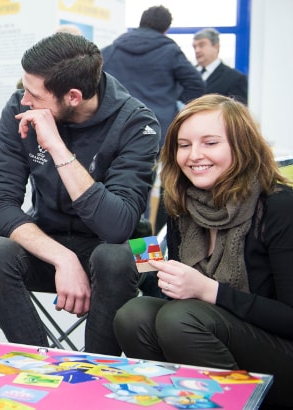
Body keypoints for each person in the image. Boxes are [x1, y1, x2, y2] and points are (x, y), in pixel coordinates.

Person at [0, 32, 160, 355]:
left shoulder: (139, 122)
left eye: (34, 94)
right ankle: (40, 364)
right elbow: (0, 204)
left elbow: (118, 226)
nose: (24, 101)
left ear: (73, 97)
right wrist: (63, 258)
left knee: (116, 258)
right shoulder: (18, 108)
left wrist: (56, 146)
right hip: (54, 237)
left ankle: (95, 372)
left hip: (133, 244)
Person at [114, 94, 293, 409]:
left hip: (281, 356)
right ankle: (179, 402)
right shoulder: (183, 203)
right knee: (134, 315)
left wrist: (211, 291)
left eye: (210, 143)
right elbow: (179, 302)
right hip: (211, 334)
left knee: (180, 317)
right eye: (184, 145)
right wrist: (155, 271)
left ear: (242, 145)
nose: (194, 156)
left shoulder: (279, 206)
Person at [101, 5, 205, 143]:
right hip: (156, 126)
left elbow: (95, 83)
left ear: (141, 22)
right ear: (166, 28)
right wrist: (173, 103)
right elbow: (196, 84)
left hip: (115, 126)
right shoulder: (170, 52)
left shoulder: (111, 51)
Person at [192, 28, 248, 104]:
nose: (197, 50)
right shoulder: (189, 74)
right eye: (194, 47)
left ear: (216, 47)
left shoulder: (235, 78)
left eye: (202, 45)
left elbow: (238, 112)